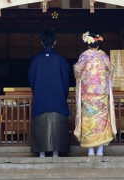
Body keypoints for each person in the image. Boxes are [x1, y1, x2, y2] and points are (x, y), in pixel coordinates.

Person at [73, 31, 117, 156]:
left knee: (89, 121)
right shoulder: (104, 56)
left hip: (87, 94)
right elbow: (111, 69)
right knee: (101, 121)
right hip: (101, 94)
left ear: (88, 44)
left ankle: (90, 150)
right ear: (98, 44)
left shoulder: (84, 56)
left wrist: (81, 78)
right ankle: (100, 150)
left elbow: (77, 69)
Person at [28, 30, 70, 158]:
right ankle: (56, 152)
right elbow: (66, 79)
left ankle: (41, 152)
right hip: (58, 99)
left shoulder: (36, 60)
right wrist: (63, 94)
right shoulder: (60, 59)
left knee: (40, 123)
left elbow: (31, 78)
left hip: (41, 98)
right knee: (57, 124)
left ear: (41, 42)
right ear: (55, 42)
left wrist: (37, 92)